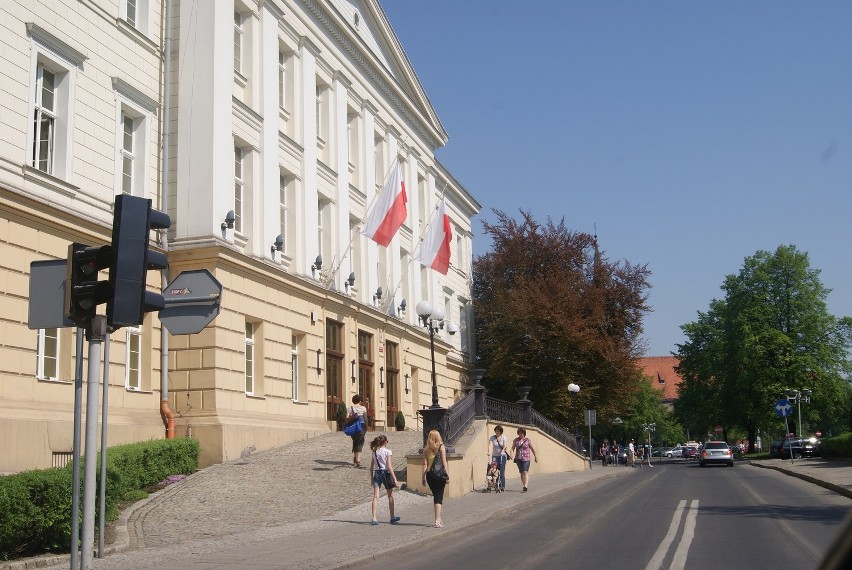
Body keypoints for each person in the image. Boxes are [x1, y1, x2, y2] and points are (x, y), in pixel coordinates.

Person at [368, 434, 400, 525]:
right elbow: (389, 466)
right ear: (386, 442)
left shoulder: (374, 452)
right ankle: (392, 516)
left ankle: (374, 518)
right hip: (385, 473)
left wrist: (371, 478)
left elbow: (371, 467)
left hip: (377, 473)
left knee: (376, 496)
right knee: (390, 495)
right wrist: (395, 479)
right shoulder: (388, 452)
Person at [423, 429, 449, 527]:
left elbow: (425, 464)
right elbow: (444, 462)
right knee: (439, 497)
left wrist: (423, 478)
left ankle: (439, 518)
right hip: (439, 475)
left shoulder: (426, 449)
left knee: (436, 496)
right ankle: (437, 520)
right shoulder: (441, 447)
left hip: (430, 475)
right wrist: (447, 474)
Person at [511, 427, 537, 492]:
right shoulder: (516, 440)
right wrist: (511, 454)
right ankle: (524, 485)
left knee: (525, 472)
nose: (521, 434)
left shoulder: (528, 440)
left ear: (524, 433)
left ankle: (525, 486)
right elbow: (512, 448)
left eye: (522, 433)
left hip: (526, 458)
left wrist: (535, 456)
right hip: (518, 458)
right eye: (519, 433)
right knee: (521, 473)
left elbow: (533, 449)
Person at [487, 424, 509, 492]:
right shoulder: (492, 438)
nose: (497, 432)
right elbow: (490, 445)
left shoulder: (503, 437)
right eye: (496, 431)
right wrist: (489, 452)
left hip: (502, 456)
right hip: (495, 456)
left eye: (498, 431)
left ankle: (502, 485)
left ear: (501, 432)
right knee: (493, 469)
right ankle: (494, 484)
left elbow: (505, 446)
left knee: (501, 471)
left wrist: (503, 451)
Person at [348, 395, 367, 468]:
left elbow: (347, 418)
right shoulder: (363, 408)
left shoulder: (350, 408)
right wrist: (366, 427)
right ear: (359, 401)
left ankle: (355, 458)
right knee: (360, 442)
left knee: (355, 441)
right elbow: (365, 419)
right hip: (361, 427)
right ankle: (358, 460)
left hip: (353, 427)